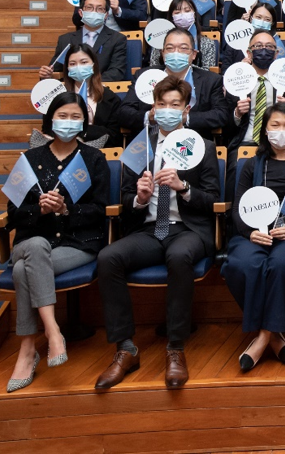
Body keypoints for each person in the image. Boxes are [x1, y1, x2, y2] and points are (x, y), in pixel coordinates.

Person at [94, 75, 220, 390]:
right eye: (161, 104)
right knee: (108, 257)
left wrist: (184, 187)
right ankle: (126, 349)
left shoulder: (202, 147)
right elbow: (125, 200)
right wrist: (139, 198)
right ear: (153, 108)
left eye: (174, 105)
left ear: (186, 109)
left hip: (187, 229)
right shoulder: (140, 147)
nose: (167, 110)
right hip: (149, 229)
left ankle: (175, 348)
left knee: (179, 256)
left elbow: (214, 201)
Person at [4, 93, 108, 392]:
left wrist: (65, 210)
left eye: (75, 117)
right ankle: (53, 332)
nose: (68, 122)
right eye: (62, 116)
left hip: (77, 244)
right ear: (50, 119)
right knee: (36, 245)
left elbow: (100, 210)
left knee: (22, 270)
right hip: (30, 241)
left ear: (84, 122)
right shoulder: (29, 159)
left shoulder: (93, 159)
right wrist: (40, 209)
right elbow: (13, 213)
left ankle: (27, 349)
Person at [221, 102, 285, 371]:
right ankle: (275, 335)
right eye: (275, 125)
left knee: (278, 264)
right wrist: (250, 233)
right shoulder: (252, 164)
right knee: (241, 264)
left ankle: (263, 337)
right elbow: (238, 207)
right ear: (265, 130)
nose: (281, 131)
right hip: (255, 234)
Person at [119, 27, 230, 140]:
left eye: (183, 48)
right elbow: (123, 113)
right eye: (170, 48)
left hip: (192, 143)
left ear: (194, 54)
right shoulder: (144, 76)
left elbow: (221, 114)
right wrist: (149, 117)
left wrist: (186, 118)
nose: (176, 53)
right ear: (163, 53)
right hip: (150, 142)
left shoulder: (211, 80)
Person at [228, 29, 285, 151]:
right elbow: (224, 121)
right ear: (249, 53)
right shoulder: (235, 81)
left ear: (276, 54)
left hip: (280, 145)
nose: (263, 50)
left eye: (269, 46)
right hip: (245, 143)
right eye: (258, 46)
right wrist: (237, 114)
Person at [42, 44, 123, 148]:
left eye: (84, 62)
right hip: (62, 150)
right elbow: (47, 130)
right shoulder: (57, 95)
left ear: (93, 65)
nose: (78, 67)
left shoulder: (110, 98)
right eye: (72, 64)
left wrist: (81, 129)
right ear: (67, 68)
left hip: (101, 151)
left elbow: (114, 136)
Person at [43, 0, 128, 83]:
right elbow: (55, 70)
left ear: (106, 15)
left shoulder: (117, 39)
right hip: (72, 88)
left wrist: (91, 84)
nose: (94, 12)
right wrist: (46, 75)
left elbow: (116, 71)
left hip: (102, 87)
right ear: (81, 12)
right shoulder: (65, 40)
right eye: (89, 8)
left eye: (100, 9)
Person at [149, 0, 219, 69]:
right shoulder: (159, 42)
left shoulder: (207, 43)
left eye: (187, 11)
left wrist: (183, 65)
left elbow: (207, 71)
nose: (183, 15)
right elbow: (153, 68)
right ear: (172, 17)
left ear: (194, 15)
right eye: (177, 12)